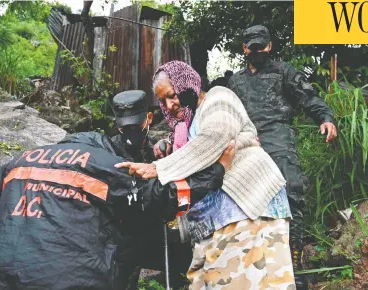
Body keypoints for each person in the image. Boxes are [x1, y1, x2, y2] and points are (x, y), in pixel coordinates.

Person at [116, 61, 296, 289]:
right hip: (212, 226)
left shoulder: (218, 98)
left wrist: (158, 168)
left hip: (249, 212)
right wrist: (170, 146)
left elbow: (215, 138)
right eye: (163, 101)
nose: (170, 105)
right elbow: (196, 149)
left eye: (172, 95)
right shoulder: (184, 128)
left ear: (187, 85)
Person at [0, 131, 234, 290]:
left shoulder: (20, 161)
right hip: (71, 280)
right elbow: (160, 198)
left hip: (2, 277)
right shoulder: (104, 163)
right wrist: (217, 171)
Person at [227, 24, 338, 288]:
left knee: (292, 189)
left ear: (269, 46)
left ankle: (293, 258)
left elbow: (307, 96)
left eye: (261, 47)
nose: (257, 52)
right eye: (252, 48)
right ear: (245, 49)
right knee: (244, 200)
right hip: (247, 142)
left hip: (278, 135)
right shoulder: (235, 81)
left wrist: (325, 118)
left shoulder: (283, 72)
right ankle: (254, 263)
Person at [110, 90, 194, 288]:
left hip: (153, 227)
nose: (131, 133)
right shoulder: (109, 150)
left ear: (148, 118)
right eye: (125, 128)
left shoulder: (155, 150)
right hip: (121, 234)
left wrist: (167, 154)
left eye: (136, 126)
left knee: (183, 255)